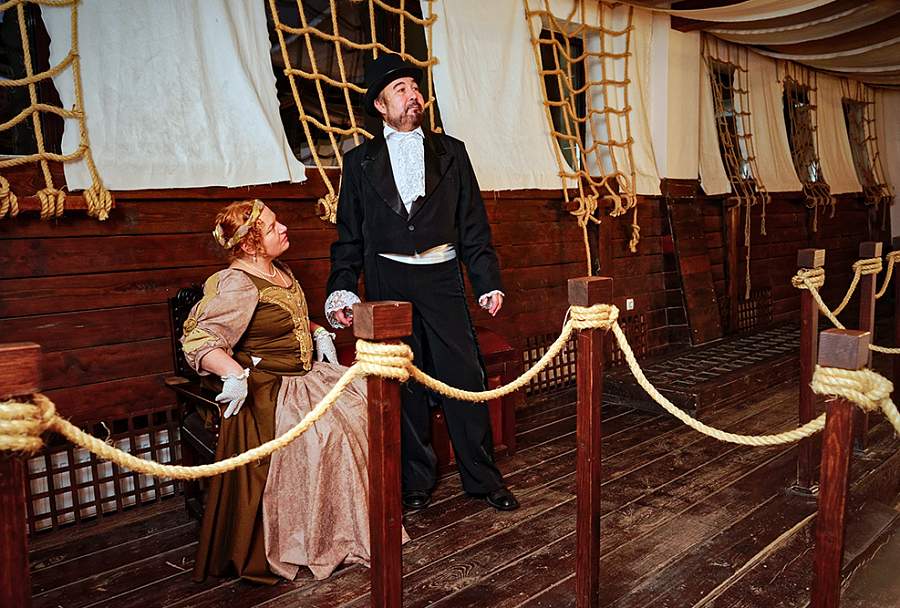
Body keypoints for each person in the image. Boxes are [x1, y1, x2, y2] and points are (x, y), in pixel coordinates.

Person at [325, 55, 519, 512]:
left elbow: (473, 224)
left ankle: (482, 478)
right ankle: (415, 481)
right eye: (401, 90)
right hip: (388, 279)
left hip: (442, 277)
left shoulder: (452, 152)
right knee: (403, 381)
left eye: (415, 87)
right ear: (380, 105)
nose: (413, 96)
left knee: (464, 377)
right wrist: (342, 289)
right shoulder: (358, 162)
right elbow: (348, 237)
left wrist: (486, 281)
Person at [181, 199, 407, 584]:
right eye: (272, 227)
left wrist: (317, 332)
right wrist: (231, 373)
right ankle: (316, 538)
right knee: (327, 434)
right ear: (250, 244)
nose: (283, 228)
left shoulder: (279, 270)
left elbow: (285, 318)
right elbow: (199, 339)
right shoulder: (236, 283)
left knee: (364, 406)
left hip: (307, 375)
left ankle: (357, 523)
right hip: (272, 386)